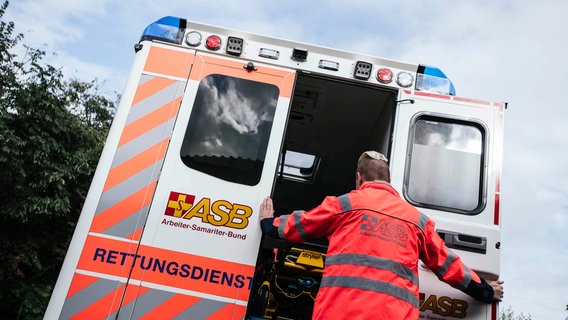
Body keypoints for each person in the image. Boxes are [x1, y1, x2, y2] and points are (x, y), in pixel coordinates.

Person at [259, 151, 504, 320]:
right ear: (389, 180)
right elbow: (448, 265)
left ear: (359, 178)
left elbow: (300, 224)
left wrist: (269, 223)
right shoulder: (417, 221)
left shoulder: (346, 204)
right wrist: (483, 290)